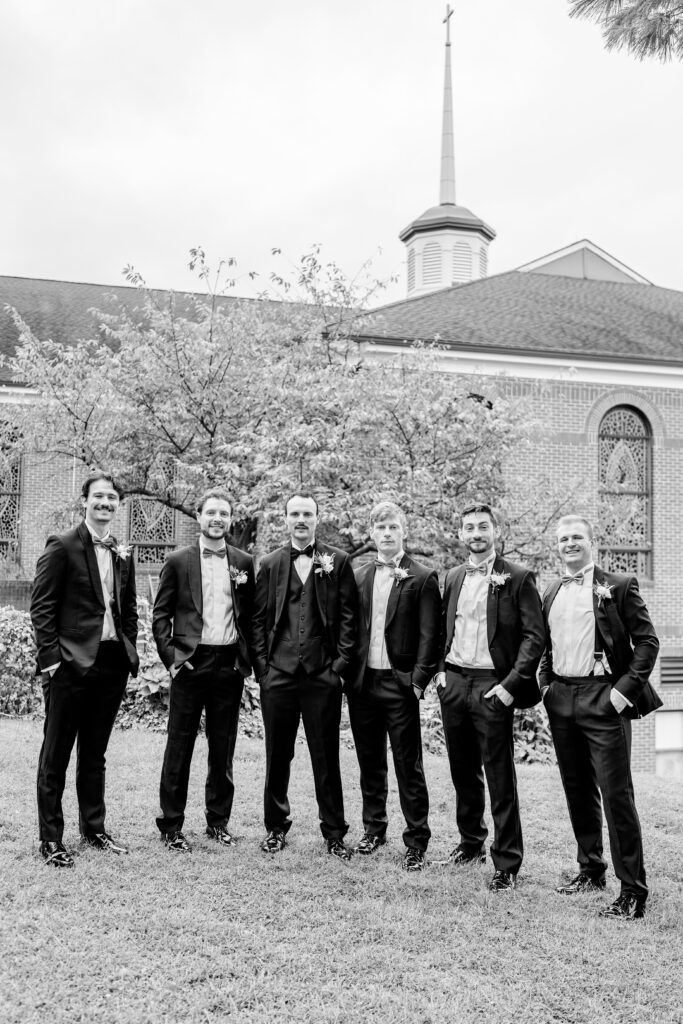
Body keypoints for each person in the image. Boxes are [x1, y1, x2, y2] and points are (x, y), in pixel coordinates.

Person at [539, 514, 661, 920]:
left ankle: (632, 891)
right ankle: (590, 869)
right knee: (577, 790)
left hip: (604, 697)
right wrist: (545, 686)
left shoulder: (619, 586)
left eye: (577, 537)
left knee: (616, 796)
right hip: (561, 697)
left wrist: (622, 695)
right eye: (563, 539)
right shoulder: (551, 589)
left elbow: (647, 641)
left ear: (592, 542)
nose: (570, 543)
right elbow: (544, 643)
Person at [31, 471, 139, 867]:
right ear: (85, 502)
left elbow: (127, 610)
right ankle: (51, 839)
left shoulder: (121, 551)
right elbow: (41, 608)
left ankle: (94, 829)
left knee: (95, 754)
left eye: (112, 498)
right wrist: (53, 662)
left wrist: (129, 650)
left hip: (110, 666)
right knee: (55, 754)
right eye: (98, 497)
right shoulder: (62, 546)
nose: (105, 503)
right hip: (69, 668)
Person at [435, 502, 544, 891]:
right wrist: (440, 671)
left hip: (492, 685)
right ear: (461, 534)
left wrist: (511, 685)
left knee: (499, 775)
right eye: (469, 527)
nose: (476, 534)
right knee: (462, 770)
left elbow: (535, 637)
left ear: (494, 531)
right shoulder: (451, 577)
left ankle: (507, 862)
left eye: (483, 527)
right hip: (454, 682)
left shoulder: (517, 577)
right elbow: (440, 629)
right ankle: (469, 843)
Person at [251, 493, 357, 860]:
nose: (300, 519)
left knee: (326, 756)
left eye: (307, 514)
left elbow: (348, 618)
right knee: (277, 755)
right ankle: (275, 828)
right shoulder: (269, 563)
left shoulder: (337, 561)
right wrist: (263, 668)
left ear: (317, 518)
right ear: (286, 519)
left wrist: (338, 668)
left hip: (321, 676)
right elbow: (258, 618)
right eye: (294, 513)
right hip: (277, 674)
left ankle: (334, 833)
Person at [152, 489, 255, 852]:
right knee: (179, 746)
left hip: (228, 664)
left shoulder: (243, 561)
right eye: (211, 512)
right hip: (190, 663)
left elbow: (251, 616)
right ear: (199, 516)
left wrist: (246, 662)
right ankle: (171, 825)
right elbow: (160, 615)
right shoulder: (179, 559)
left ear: (230, 519)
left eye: (224, 514)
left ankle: (218, 822)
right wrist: (174, 660)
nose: (217, 519)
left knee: (222, 749)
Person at [347, 502, 440, 871]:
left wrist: (417, 683)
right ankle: (374, 827)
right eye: (380, 527)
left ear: (404, 531)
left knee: (408, 765)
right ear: (372, 533)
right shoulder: (359, 576)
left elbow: (430, 636)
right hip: (363, 683)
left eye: (392, 527)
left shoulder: (422, 576)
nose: (386, 533)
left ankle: (416, 840)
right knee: (370, 761)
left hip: (400, 685)